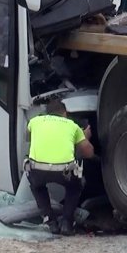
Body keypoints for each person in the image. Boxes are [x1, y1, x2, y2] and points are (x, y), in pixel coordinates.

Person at [26, 99, 95, 236]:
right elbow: (89, 153)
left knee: (37, 186)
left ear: (47, 112)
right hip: (64, 172)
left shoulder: (34, 122)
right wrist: (84, 137)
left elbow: (29, 138)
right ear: (64, 113)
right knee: (74, 186)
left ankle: (50, 221)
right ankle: (66, 223)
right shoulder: (72, 126)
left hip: (38, 169)